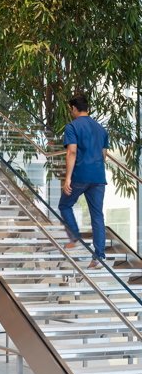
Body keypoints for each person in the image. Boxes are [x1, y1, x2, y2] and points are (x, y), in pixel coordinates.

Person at [59, 94, 111, 268]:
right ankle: (100, 255)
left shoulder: (72, 127)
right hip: (98, 177)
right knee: (97, 215)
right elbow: (104, 155)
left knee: (65, 205)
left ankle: (75, 238)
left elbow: (71, 152)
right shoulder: (101, 129)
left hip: (80, 175)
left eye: (70, 109)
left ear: (74, 108)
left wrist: (67, 178)